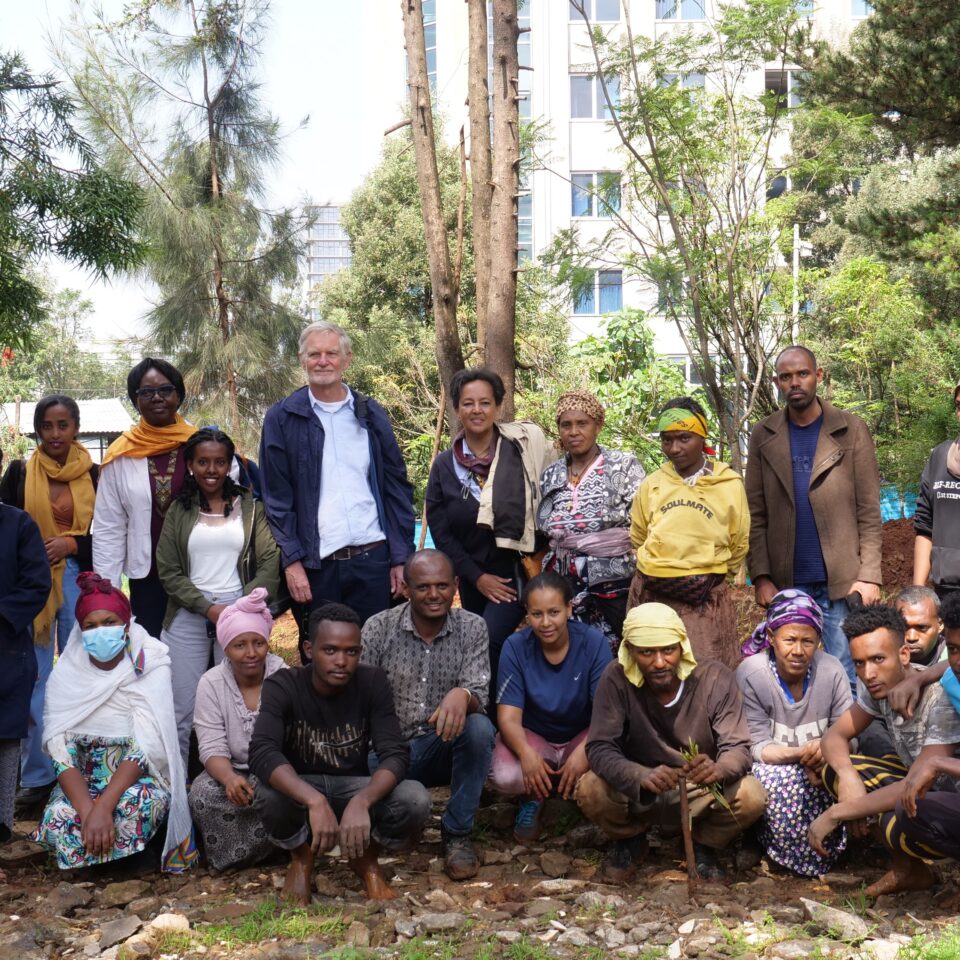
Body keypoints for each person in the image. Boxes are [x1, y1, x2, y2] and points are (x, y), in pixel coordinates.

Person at [249, 603, 430, 904]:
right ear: (309, 649)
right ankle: (301, 858)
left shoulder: (372, 682)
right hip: (303, 786)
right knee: (267, 791)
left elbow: (395, 753)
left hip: (352, 786)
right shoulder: (283, 685)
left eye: (351, 652)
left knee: (415, 798)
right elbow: (262, 751)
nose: (342, 661)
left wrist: (363, 800)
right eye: (330, 650)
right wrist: (313, 799)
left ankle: (365, 859)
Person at [576, 603, 766, 883]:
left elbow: (738, 747)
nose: (660, 662)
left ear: (682, 646)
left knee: (751, 796)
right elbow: (600, 747)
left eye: (668, 650)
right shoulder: (616, 679)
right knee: (590, 789)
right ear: (629, 651)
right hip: (641, 787)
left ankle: (704, 845)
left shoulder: (713, 678)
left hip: (697, 787)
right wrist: (638, 774)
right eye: (647, 652)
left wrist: (719, 769)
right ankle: (631, 841)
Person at [260, 321, 415, 662]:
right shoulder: (283, 418)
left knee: (375, 657)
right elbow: (276, 499)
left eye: (332, 353)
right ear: (302, 359)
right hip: (318, 568)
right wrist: (293, 562)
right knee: (323, 662)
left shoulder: (370, 414)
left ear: (347, 359)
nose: (323, 361)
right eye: (314, 354)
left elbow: (396, 488)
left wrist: (400, 556)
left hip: (373, 560)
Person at [32, 573, 194, 873]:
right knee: (59, 814)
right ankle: (114, 859)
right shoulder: (65, 676)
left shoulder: (149, 666)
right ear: (80, 631)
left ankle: (112, 860)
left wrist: (105, 806)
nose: (100, 632)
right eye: (90, 626)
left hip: (134, 777)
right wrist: (87, 809)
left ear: (125, 625)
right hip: (82, 779)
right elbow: (59, 750)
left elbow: (147, 745)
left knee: (142, 804)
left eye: (109, 622)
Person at [746, 345, 882, 687]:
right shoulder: (764, 435)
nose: (795, 382)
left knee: (847, 676)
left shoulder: (850, 429)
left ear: (818, 376)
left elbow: (868, 509)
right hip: (787, 583)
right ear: (777, 382)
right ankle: (800, 741)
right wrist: (761, 575)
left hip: (841, 582)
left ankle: (848, 742)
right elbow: (756, 512)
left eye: (803, 374)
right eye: (786, 376)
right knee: (790, 675)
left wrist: (869, 575)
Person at [807, 604, 960, 896]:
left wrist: (839, 812)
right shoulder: (876, 685)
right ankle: (908, 872)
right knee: (838, 770)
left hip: (944, 795)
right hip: (918, 784)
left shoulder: (940, 697)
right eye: (860, 663)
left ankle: (917, 868)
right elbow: (834, 738)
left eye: (878, 659)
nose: (868, 673)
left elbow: (918, 780)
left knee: (896, 817)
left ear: (903, 654)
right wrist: (848, 779)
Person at [361, 549, 495, 880]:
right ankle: (390, 826)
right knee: (369, 774)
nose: (434, 595)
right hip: (387, 753)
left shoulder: (472, 627)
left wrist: (462, 695)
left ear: (456, 585)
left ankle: (457, 834)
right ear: (405, 588)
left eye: (442, 586)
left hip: (441, 745)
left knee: (479, 727)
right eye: (423, 587)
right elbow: (359, 699)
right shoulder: (379, 628)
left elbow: (479, 692)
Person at [425, 368, 555, 695]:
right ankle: (486, 718)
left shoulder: (519, 452)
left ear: (497, 406)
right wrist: (476, 577)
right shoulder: (444, 466)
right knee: (477, 641)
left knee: (490, 639)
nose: (477, 410)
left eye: (485, 402)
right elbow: (441, 530)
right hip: (471, 577)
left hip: (514, 571)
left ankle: (496, 717)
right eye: (468, 403)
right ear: (457, 408)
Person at [157, 428, 281, 763]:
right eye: (203, 462)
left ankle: (253, 778)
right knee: (181, 707)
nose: (211, 469)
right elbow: (168, 570)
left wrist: (243, 606)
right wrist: (209, 609)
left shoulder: (250, 507)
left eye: (219, 462)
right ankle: (180, 797)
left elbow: (270, 559)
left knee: (243, 701)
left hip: (241, 610)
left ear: (230, 465)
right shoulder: (178, 510)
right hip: (189, 611)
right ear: (191, 465)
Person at [0, 396, 99, 814]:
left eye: (63, 425)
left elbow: (112, 531)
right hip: (30, 588)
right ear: (37, 430)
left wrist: (74, 542)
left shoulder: (97, 474)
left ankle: (85, 771)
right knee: (34, 677)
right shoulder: (21, 472)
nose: (55, 434)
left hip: (81, 579)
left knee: (84, 673)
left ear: (76, 427)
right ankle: (37, 776)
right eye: (47, 426)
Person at [736, 589, 853, 876]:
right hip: (777, 766)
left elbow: (849, 731)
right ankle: (769, 848)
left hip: (823, 762)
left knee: (848, 773)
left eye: (808, 641)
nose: (798, 651)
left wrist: (825, 753)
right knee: (777, 780)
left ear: (818, 642)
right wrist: (802, 754)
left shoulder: (832, 670)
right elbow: (757, 745)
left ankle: (837, 849)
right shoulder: (752, 674)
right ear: (772, 637)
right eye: (789, 640)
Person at [627, 397, 749, 669]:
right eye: (667, 440)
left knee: (706, 674)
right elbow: (638, 535)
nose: (674, 448)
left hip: (706, 600)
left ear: (701, 436)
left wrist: (713, 576)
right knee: (655, 672)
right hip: (654, 594)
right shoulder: (653, 484)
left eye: (684, 438)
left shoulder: (727, 484)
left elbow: (739, 540)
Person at [491, 571, 613, 843]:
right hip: (537, 737)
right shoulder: (515, 646)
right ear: (527, 613)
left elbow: (607, 715)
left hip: (582, 734)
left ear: (570, 608)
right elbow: (508, 718)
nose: (546, 623)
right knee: (506, 775)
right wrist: (526, 754)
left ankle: (578, 794)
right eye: (537, 614)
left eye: (554, 612)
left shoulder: (593, 643)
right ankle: (534, 795)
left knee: (610, 757)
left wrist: (584, 752)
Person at [93, 358, 198, 639]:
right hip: (147, 575)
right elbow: (108, 527)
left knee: (201, 657)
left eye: (165, 389)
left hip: (200, 572)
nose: (157, 397)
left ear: (179, 395)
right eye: (146, 392)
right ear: (135, 400)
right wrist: (107, 592)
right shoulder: (121, 453)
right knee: (148, 651)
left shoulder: (202, 443)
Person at [537, 390, 645, 651]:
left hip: (615, 582)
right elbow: (544, 525)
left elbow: (645, 521)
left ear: (598, 426)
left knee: (620, 650)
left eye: (582, 423)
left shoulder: (623, 465)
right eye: (566, 425)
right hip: (563, 582)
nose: (573, 432)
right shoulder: (551, 474)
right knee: (572, 651)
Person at [189, 588, 286, 872]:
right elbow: (210, 745)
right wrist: (230, 778)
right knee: (202, 794)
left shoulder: (283, 676)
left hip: (277, 770)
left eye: (258, 643)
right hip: (231, 769)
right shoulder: (211, 683)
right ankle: (235, 857)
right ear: (226, 647)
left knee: (282, 794)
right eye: (239, 645)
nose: (251, 653)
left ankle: (283, 845)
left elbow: (292, 740)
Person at [0, 475, 51, 872]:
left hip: (8, 646)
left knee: (5, 739)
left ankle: (2, 826)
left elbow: (37, 584)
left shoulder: (19, 525)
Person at [897, 593, 960, 881]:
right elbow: (947, 667)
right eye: (955, 649)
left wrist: (937, 764)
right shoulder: (951, 680)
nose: (959, 662)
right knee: (910, 809)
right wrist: (918, 678)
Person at [913, 379, 960, 600]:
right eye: (959, 406)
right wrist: (918, 593)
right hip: (946, 593)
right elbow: (924, 526)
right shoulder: (939, 457)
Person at [894, 586, 946, 667]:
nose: (911, 637)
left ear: (940, 625)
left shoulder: (953, 662)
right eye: (903, 627)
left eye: (922, 628)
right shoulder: (882, 658)